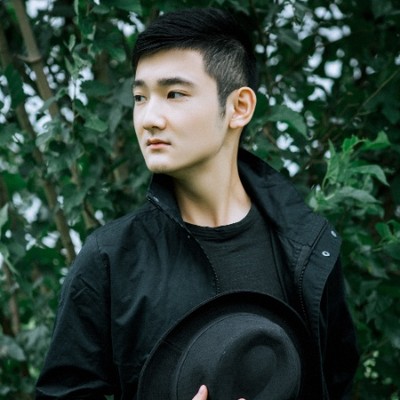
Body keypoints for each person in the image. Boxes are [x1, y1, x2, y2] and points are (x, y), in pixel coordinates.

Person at [36, 7, 359, 400]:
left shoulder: (308, 248)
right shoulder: (111, 258)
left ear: (239, 107)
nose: (149, 118)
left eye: (174, 94)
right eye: (140, 97)